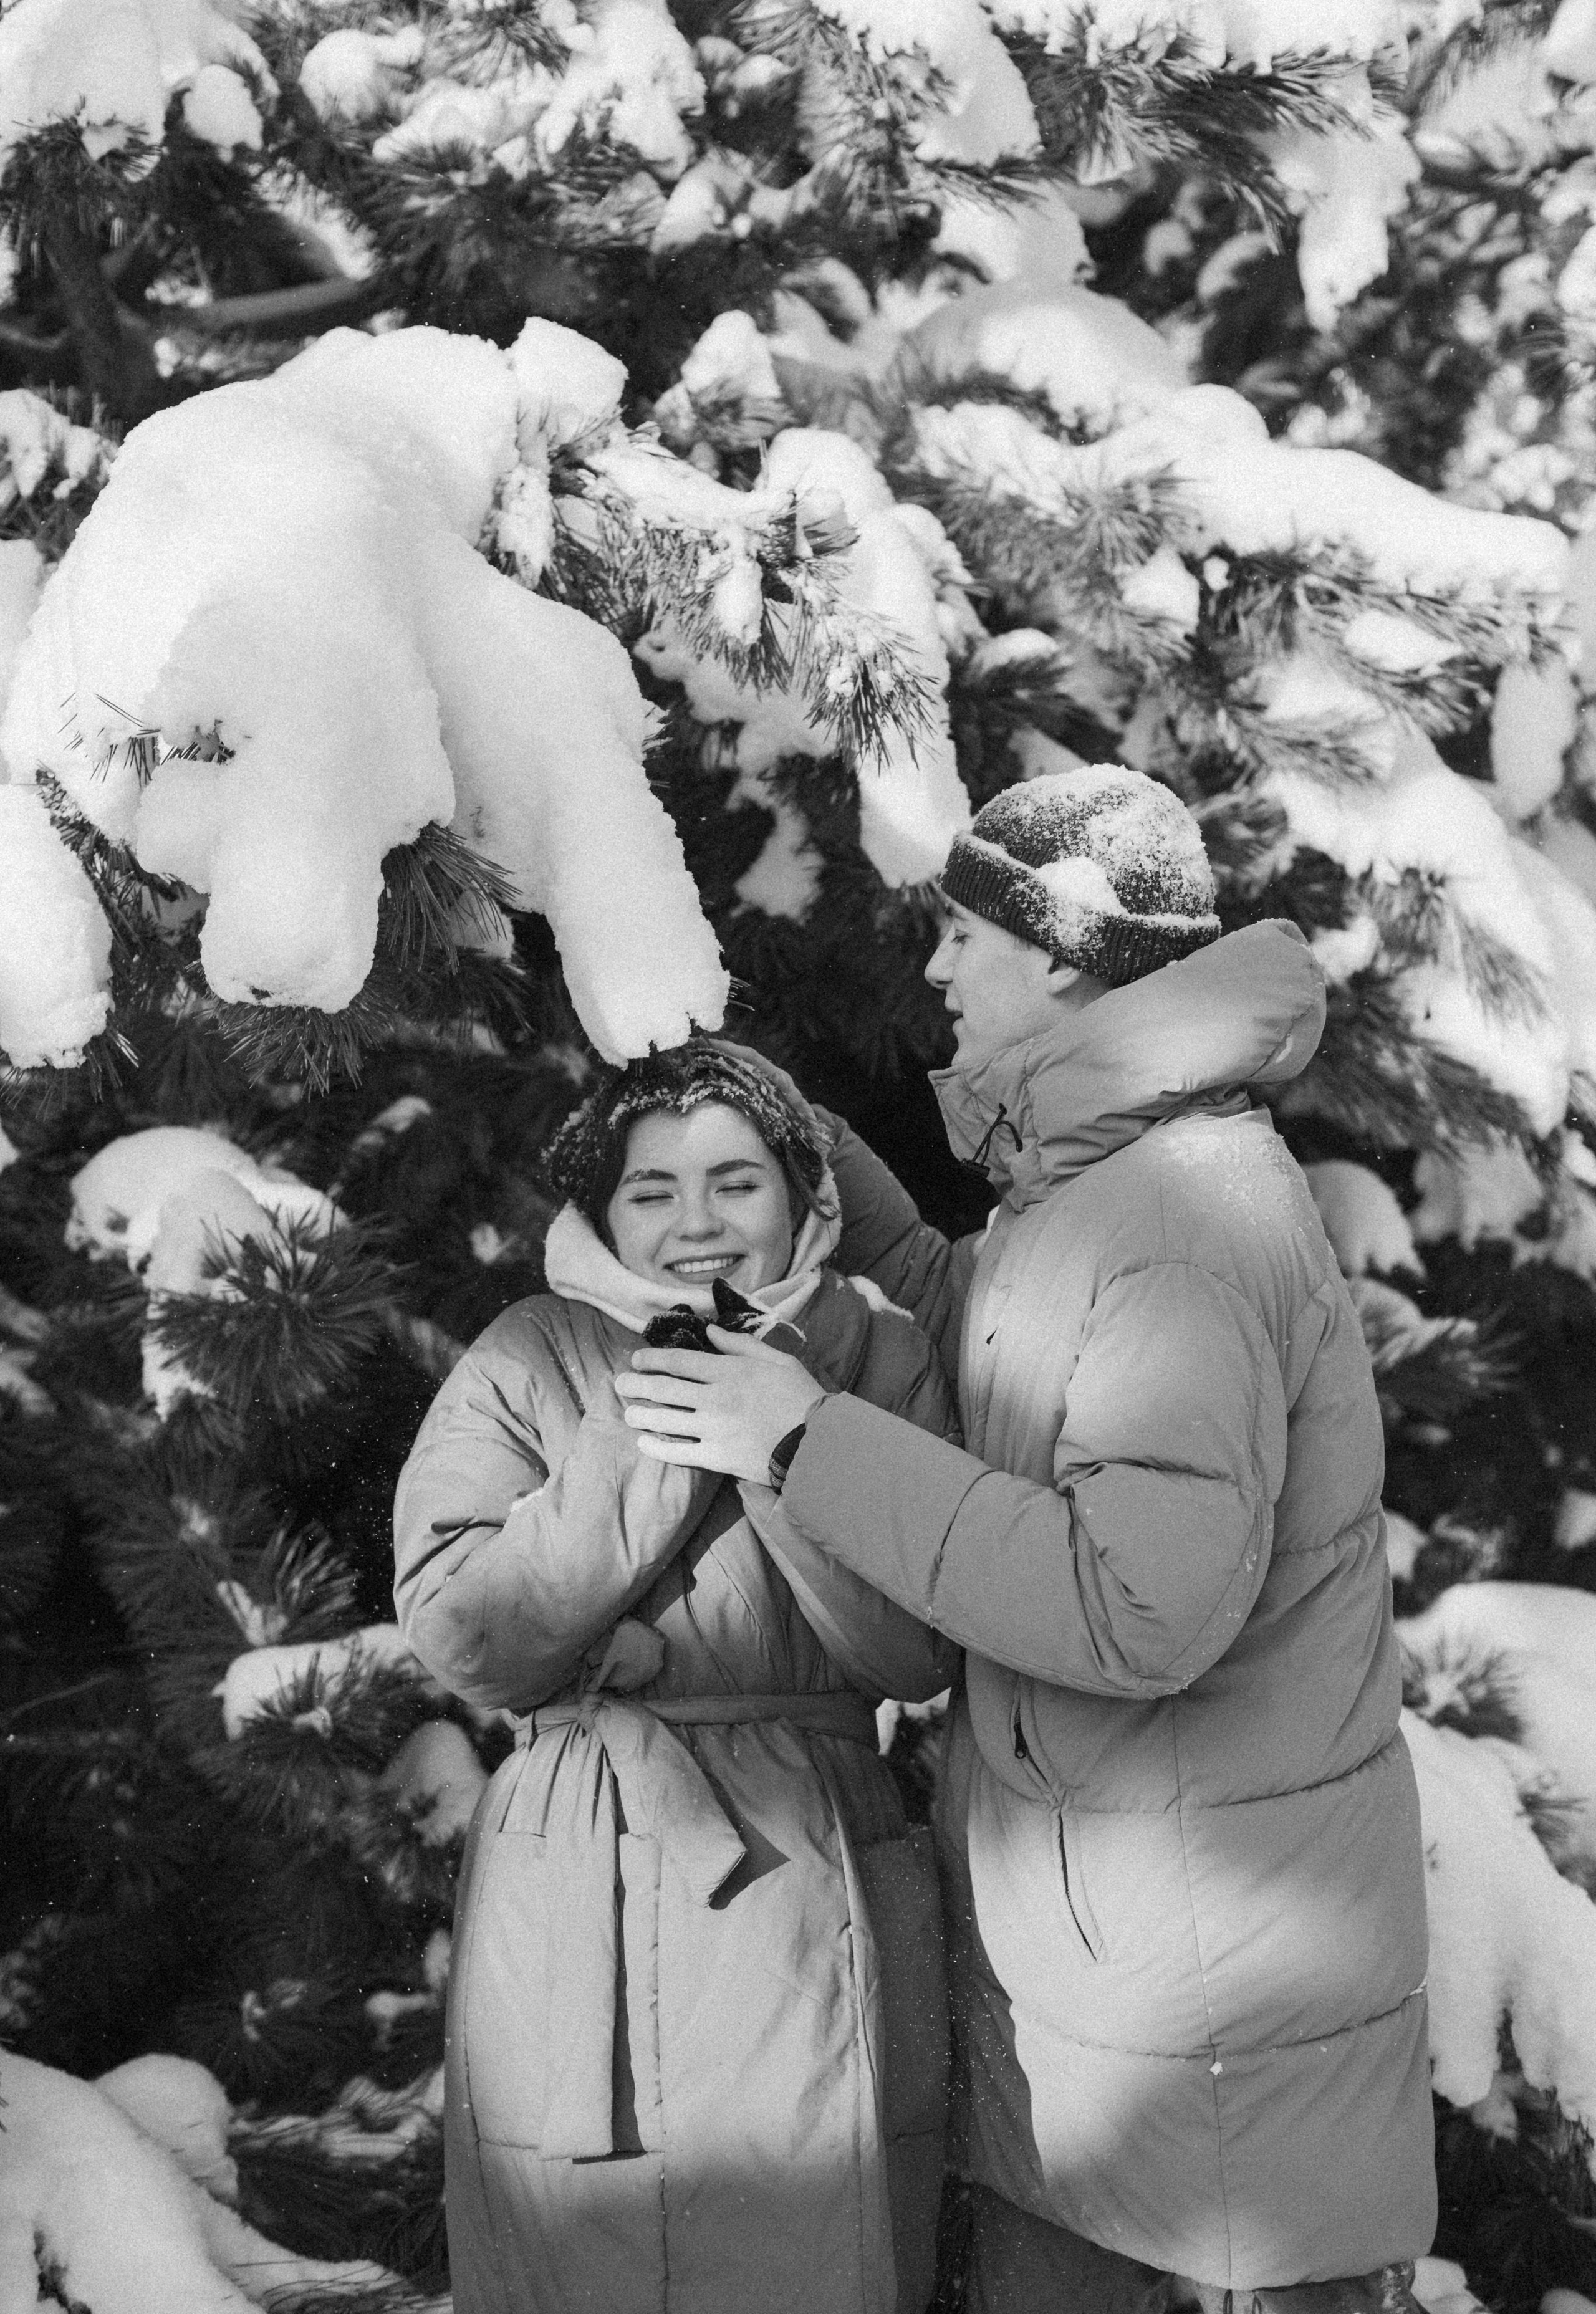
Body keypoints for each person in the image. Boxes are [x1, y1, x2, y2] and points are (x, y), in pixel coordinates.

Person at [615, 769, 1437, 2314]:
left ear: (1058, 954)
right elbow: (993, 1342)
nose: (934, 971)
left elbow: (1134, 1608)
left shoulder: (1176, 1221)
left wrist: (796, 1436)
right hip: (1130, 1985)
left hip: (1196, 2046)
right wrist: (803, 1160)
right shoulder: (1106, 1188)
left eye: (960, 937)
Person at [392, 1041, 961, 2314]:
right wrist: (648, 1433)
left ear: (802, 1193)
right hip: (577, 1869)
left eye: (733, 1182)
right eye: (651, 1191)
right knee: (579, 2254)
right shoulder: (529, 1350)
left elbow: (915, 1649)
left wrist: (781, 1442)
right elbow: (465, 1634)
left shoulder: (876, 1350)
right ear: (601, 1209)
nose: (693, 1222)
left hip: (808, 1871)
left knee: (805, 2250)